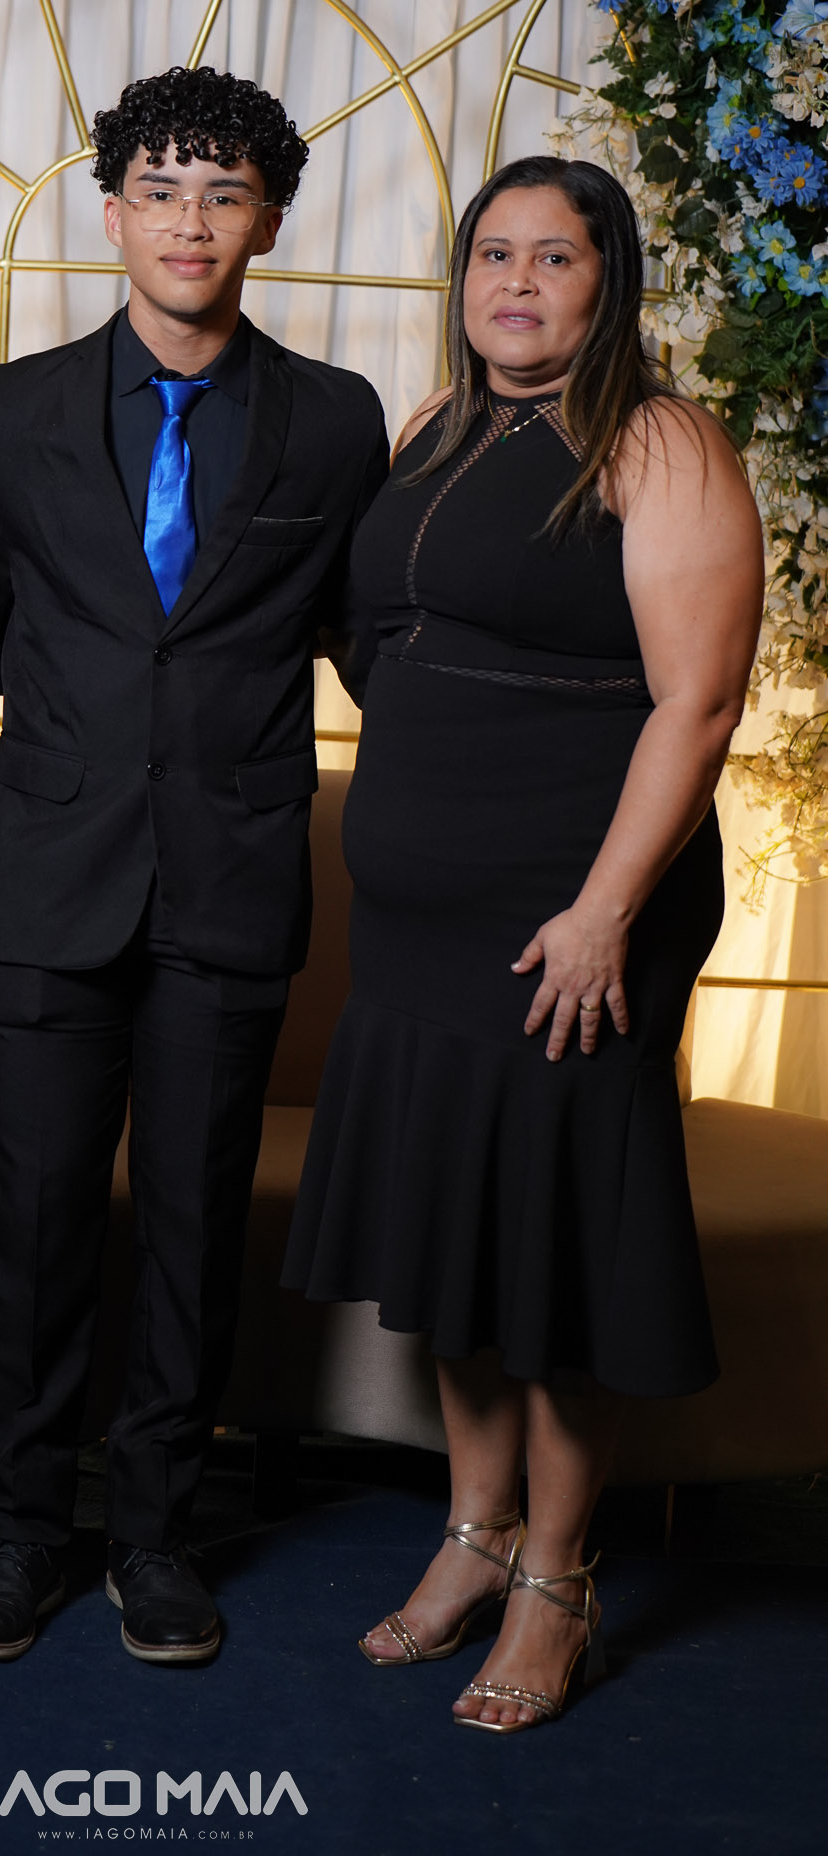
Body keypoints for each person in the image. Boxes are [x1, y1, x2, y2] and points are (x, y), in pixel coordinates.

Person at [283, 155, 764, 1730]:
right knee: (451, 1228)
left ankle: (557, 1575)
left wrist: (602, 911)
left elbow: (698, 702)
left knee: (552, 1245)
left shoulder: (659, 441)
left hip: (570, 910)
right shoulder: (436, 425)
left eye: (554, 257)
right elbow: (385, 634)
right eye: (493, 253)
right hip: (420, 918)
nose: (515, 282)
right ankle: (472, 1531)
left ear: (607, 278)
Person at [0, 65, 389, 1667]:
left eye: (223, 193)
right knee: (36, 1221)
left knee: (194, 1226)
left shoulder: (336, 421)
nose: (190, 221)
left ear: (267, 219)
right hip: (51, 873)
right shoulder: (14, 408)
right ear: (112, 208)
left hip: (232, 879)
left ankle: (156, 1537)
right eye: (160, 189)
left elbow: (361, 632)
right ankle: (13, 1534)